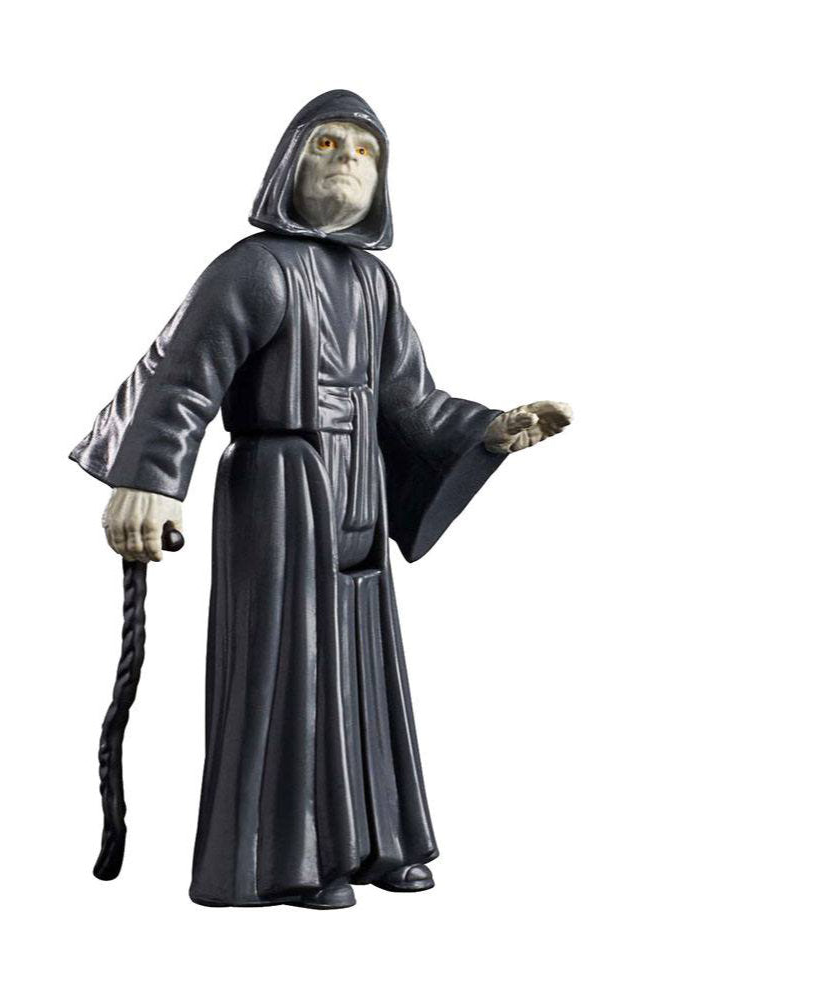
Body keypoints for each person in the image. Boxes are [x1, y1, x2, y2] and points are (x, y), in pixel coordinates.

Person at [71, 90, 572, 908]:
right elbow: (183, 381)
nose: (348, 162)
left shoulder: (375, 286)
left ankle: (379, 842)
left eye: (365, 152)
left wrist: (489, 430)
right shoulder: (253, 270)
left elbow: (412, 404)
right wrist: (149, 483)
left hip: (358, 495)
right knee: (286, 671)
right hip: (279, 491)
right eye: (328, 145)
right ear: (289, 163)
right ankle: (287, 862)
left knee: (364, 671)